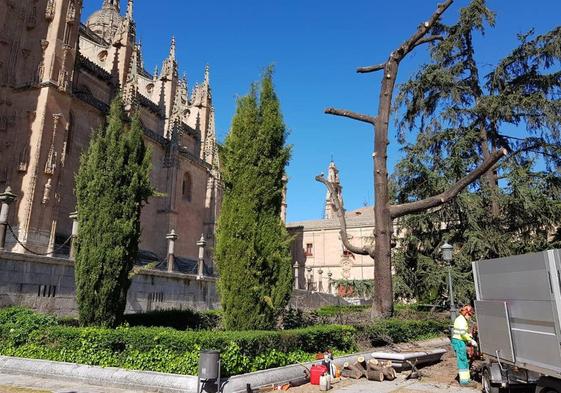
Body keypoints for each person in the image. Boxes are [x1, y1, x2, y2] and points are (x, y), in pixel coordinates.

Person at [452, 305, 478, 387]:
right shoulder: (462, 320)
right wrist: (470, 340)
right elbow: (462, 333)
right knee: (463, 360)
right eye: (469, 315)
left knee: (464, 360)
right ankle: (464, 382)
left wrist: (468, 335)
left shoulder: (460, 319)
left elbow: (463, 332)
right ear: (466, 313)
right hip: (459, 342)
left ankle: (466, 379)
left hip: (459, 341)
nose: (470, 317)